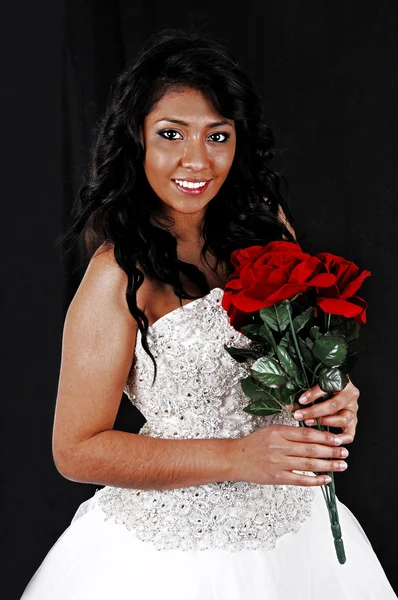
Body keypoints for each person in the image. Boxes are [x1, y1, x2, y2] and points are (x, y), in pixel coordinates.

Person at [20, 27, 396, 599]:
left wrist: (334, 392)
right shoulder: (117, 274)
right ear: (136, 141)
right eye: (171, 134)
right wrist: (238, 457)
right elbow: (76, 450)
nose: (196, 160)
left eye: (217, 136)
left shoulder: (266, 228)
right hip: (172, 555)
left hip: (299, 532)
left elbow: (298, 354)